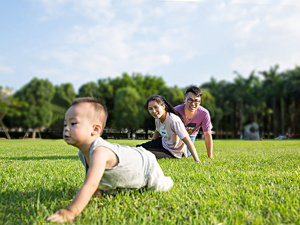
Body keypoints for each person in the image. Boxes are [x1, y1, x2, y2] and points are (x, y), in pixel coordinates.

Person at [47, 97, 173, 223]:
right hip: (130, 162)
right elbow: (94, 178)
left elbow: (90, 184)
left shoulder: (100, 152)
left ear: (95, 129)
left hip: (146, 164)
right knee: (115, 190)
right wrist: (97, 195)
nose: (67, 128)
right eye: (65, 124)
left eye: (73, 123)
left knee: (159, 187)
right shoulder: (82, 153)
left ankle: (168, 181)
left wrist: (71, 212)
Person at [137, 95, 204, 163]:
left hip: (173, 152)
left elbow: (187, 140)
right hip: (163, 142)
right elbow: (157, 132)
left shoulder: (173, 120)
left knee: (145, 154)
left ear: (163, 106)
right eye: (150, 109)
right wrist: (152, 144)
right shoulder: (157, 118)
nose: (154, 111)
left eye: (156, 107)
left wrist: (197, 160)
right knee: (138, 148)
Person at [175, 86, 213, 158]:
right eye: (190, 100)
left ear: (200, 101)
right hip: (176, 137)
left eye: (196, 101)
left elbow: (207, 135)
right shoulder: (176, 111)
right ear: (184, 99)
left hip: (191, 136)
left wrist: (210, 156)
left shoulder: (204, 113)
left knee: (185, 155)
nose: (193, 104)